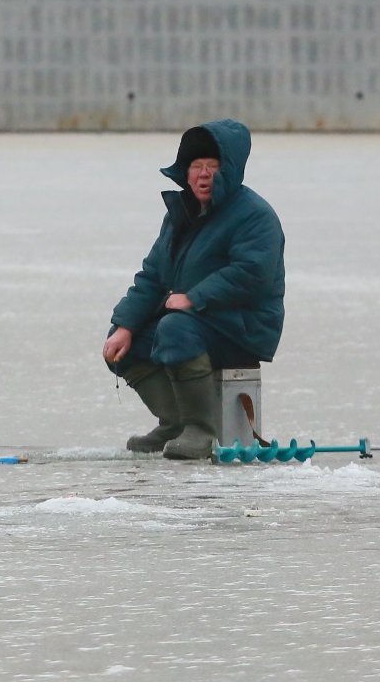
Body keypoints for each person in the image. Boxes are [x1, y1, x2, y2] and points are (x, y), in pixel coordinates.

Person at [103, 121, 286, 460]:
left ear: (229, 171)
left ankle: (202, 430)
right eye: (196, 167)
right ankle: (175, 423)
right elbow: (154, 276)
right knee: (124, 345)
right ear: (184, 173)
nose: (203, 175)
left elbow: (252, 273)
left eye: (213, 167)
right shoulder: (180, 216)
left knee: (174, 328)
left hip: (242, 326)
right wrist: (126, 326)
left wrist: (193, 298)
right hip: (196, 324)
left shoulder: (255, 216)